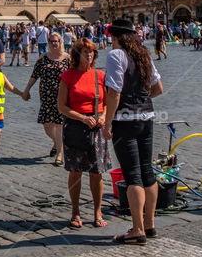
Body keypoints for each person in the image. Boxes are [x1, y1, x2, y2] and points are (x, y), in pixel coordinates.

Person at [103, 19, 163, 246]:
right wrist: (142, 101)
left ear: (116, 36)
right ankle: (149, 224)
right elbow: (158, 88)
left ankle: (137, 230)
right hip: (146, 118)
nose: (110, 40)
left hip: (125, 121)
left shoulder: (116, 56)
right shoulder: (143, 55)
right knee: (148, 171)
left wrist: (108, 123)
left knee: (132, 175)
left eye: (111, 36)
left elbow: (114, 93)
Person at [58, 39, 110, 229]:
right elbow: (61, 106)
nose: (89, 55)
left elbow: (107, 102)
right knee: (75, 172)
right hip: (75, 127)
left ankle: (98, 211)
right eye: (85, 52)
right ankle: (75, 211)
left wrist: (104, 116)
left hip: (96, 127)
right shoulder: (67, 76)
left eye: (92, 52)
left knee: (97, 172)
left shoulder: (101, 75)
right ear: (77, 54)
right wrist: (81, 118)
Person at [22, 32, 72, 163]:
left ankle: (60, 154)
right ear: (48, 43)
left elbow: (74, 77)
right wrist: (26, 90)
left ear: (60, 42)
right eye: (51, 41)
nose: (54, 43)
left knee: (60, 124)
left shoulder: (68, 58)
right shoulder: (43, 58)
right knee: (47, 125)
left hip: (62, 96)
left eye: (56, 41)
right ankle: (57, 142)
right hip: (46, 96)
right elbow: (34, 76)